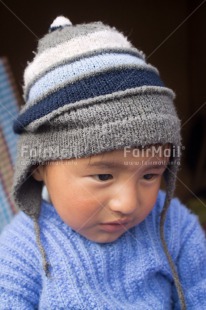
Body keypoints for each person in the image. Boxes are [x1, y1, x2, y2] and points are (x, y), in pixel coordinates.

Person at [0, 16, 206, 309]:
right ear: (38, 166)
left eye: (150, 175)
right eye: (103, 176)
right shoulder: (20, 252)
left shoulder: (175, 226)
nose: (127, 203)